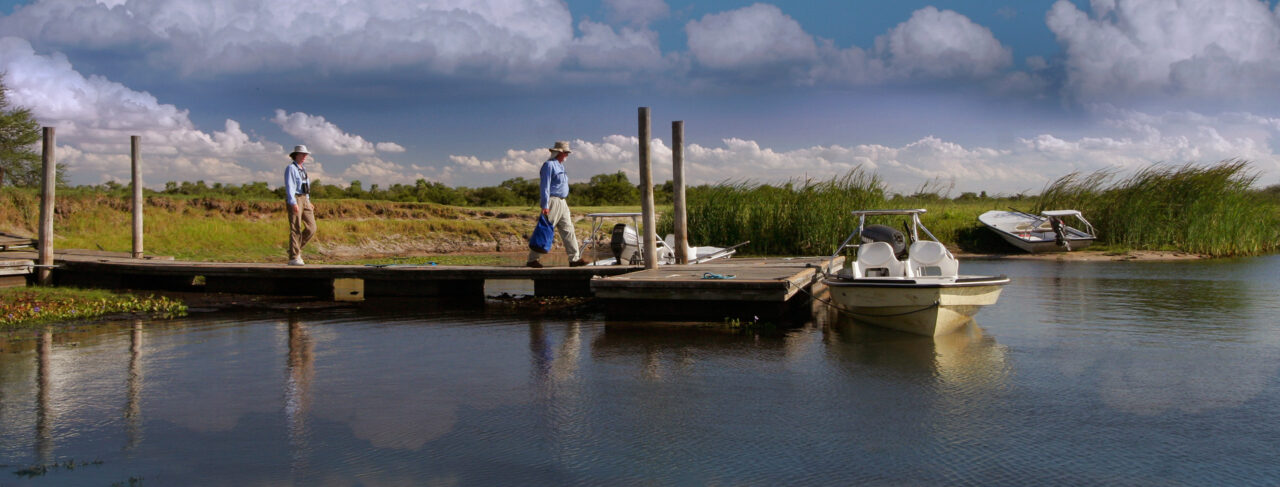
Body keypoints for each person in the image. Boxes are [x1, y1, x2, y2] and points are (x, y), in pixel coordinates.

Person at [527, 141, 587, 268]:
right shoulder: (548, 165)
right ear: (559, 152)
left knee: (568, 230)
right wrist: (545, 205)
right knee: (545, 229)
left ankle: (574, 259)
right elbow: (545, 186)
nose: (567, 155)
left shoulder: (561, 166)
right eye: (565, 152)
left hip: (562, 202)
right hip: (552, 201)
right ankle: (532, 259)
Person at [284, 145, 316, 266]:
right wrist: (292, 202)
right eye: (302, 154)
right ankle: (294, 256)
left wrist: (308, 200)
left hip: (304, 198)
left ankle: (294, 249)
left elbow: (306, 186)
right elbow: (290, 186)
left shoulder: (303, 169)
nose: (304, 156)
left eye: (305, 154)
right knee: (295, 227)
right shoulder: (291, 168)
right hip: (296, 198)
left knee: (312, 228)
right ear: (296, 155)